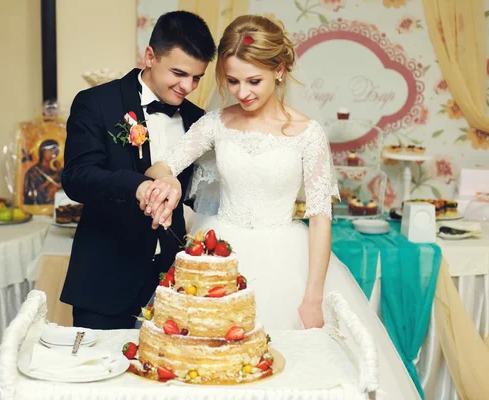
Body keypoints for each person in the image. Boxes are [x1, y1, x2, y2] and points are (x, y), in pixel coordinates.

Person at [142, 15, 420, 399]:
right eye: (233, 81)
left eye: (253, 81)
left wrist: (312, 298)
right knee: (209, 367)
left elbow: (321, 219)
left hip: (287, 258)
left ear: (280, 69)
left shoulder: (308, 133)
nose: (243, 92)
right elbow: (164, 164)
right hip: (222, 256)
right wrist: (166, 179)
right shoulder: (216, 123)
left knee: (293, 375)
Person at [60, 11, 216, 329]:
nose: (188, 86)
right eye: (179, 73)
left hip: (173, 283)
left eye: (197, 77)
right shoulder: (96, 103)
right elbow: (77, 177)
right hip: (105, 279)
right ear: (149, 56)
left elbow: (197, 196)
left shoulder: (199, 120)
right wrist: (137, 185)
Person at [23, 139, 62, 205]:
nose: (52, 154)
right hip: (37, 207)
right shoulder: (33, 171)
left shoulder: (55, 171)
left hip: (55, 206)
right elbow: (29, 193)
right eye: (50, 150)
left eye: (54, 152)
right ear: (42, 151)